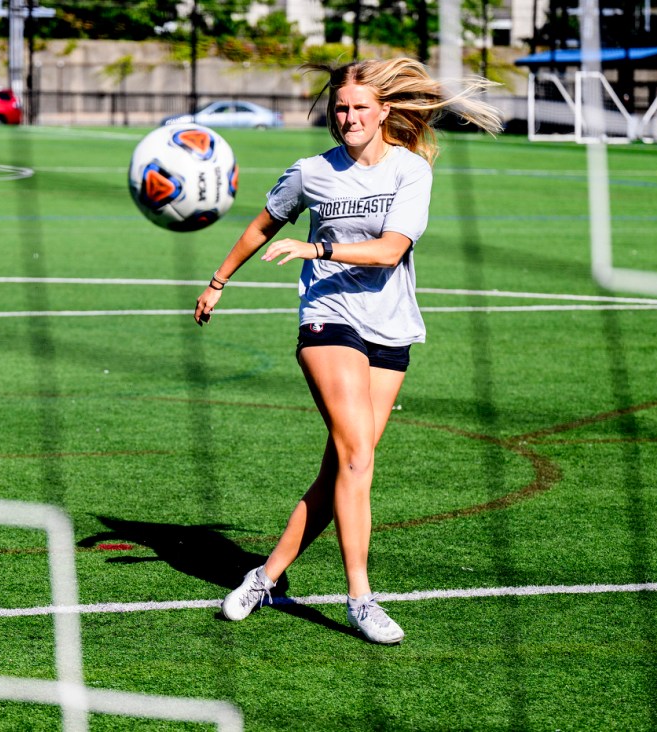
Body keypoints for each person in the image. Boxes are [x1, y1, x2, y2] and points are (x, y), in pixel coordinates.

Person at [193, 58, 502, 644]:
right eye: (341, 107)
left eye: (360, 106)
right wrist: (217, 281)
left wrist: (316, 251)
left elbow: (389, 252)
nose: (349, 116)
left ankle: (264, 576)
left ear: (385, 111)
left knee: (343, 468)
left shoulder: (411, 172)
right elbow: (262, 225)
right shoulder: (311, 172)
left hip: (390, 327)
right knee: (358, 457)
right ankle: (361, 597)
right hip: (327, 320)